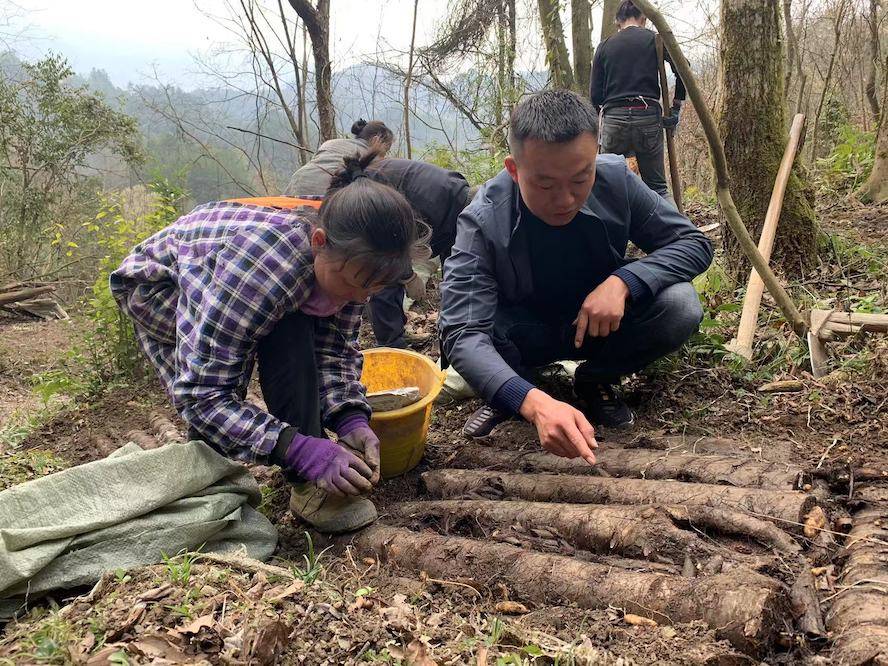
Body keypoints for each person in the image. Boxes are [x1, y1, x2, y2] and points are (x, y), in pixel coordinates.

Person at [110, 152, 423, 534]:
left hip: (251, 277)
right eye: (357, 285)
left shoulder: (352, 261)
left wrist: (350, 417)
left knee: (297, 326)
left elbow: (335, 351)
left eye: (372, 289)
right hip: (159, 286)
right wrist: (298, 448)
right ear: (319, 243)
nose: (361, 299)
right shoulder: (265, 267)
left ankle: (303, 473)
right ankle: (256, 477)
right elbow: (203, 394)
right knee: (260, 350)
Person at [439, 90, 712, 461]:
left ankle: (596, 377)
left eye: (581, 178)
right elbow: (462, 332)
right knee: (483, 342)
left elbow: (692, 242)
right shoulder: (484, 217)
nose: (566, 199)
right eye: (546, 185)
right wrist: (532, 403)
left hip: (599, 328)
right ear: (514, 169)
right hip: (522, 338)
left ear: (595, 155)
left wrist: (623, 283)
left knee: (680, 303)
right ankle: (512, 392)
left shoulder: (616, 180)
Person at [362, 157, 472, 348]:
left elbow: (454, 257)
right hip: (366, 198)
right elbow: (394, 246)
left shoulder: (459, 202)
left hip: (396, 204)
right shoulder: (431, 207)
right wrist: (409, 278)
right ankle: (392, 346)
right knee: (387, 274)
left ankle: (400, 334)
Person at [590, 0, 687, 201]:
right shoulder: (656, 40)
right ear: (644, 19)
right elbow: (683, 70)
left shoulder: (604, 46)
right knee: (658, 189)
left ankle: (612, 232)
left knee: (609, 188)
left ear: (618, 22)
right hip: (648, 116)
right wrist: (676, 108)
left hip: (614, 118)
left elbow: (596, 96)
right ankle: (673, 231)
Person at [284, 119, 394, 196]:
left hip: (294, 186)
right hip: (321, 196)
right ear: (376, 140)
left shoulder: (330, 143)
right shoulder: (374, 160)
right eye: (386, 149)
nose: (385, 154)